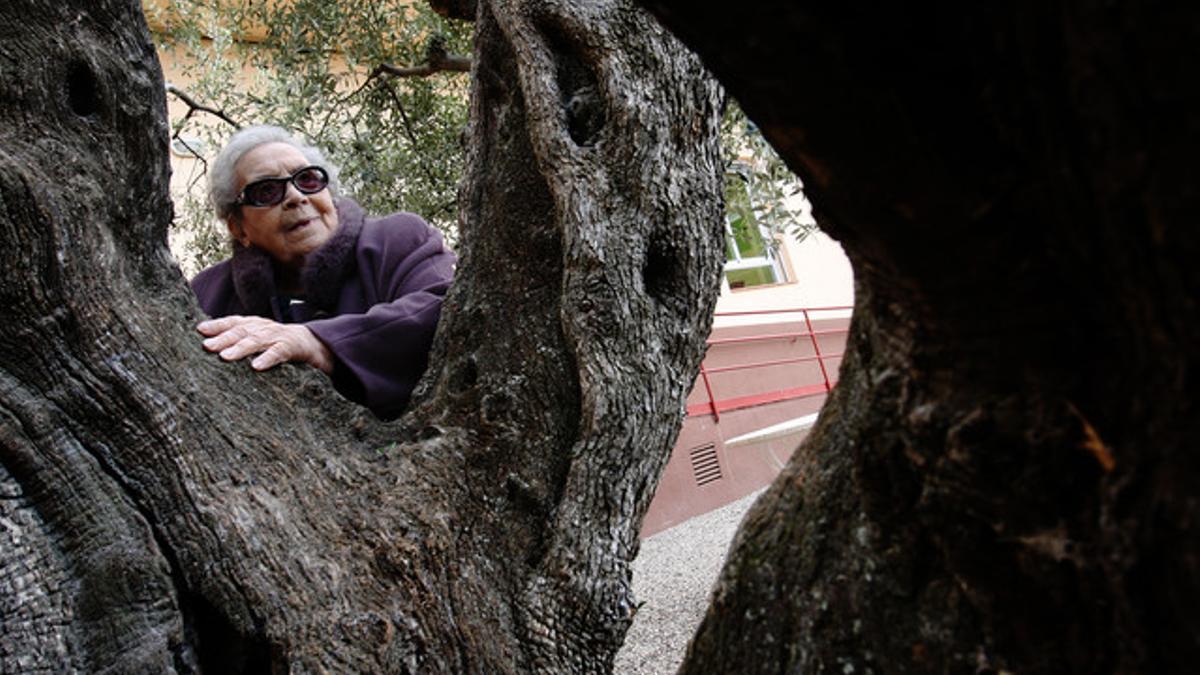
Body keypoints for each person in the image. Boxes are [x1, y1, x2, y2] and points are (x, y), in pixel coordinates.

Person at [191, 125, 455, 419]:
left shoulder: (400, 239)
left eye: (307, 179)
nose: (295, 196)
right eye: (267, 191)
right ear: (238, 228)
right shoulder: (207, 295)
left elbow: (447, 310)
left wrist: (317, 342)